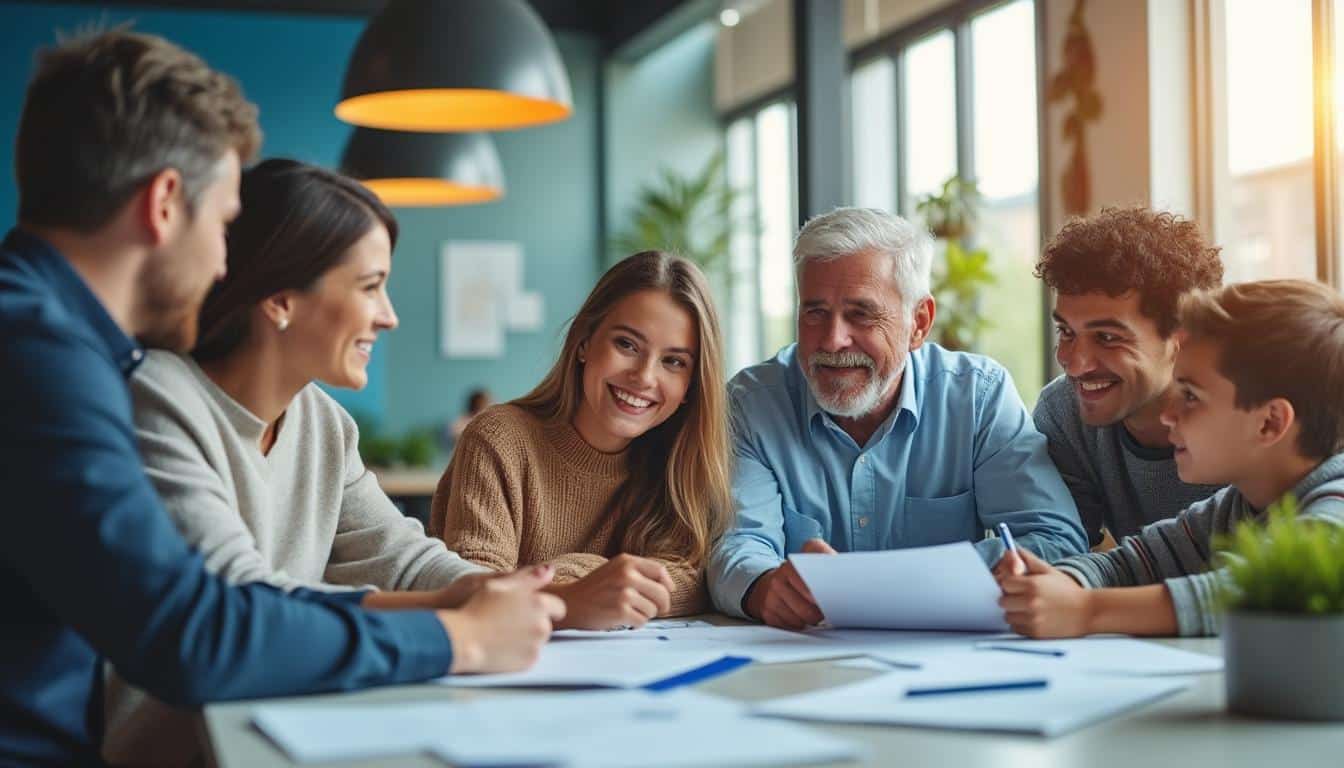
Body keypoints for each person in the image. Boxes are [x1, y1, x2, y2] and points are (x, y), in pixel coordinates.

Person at [0, 30, 560, 766]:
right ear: (166, 203)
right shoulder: (42, 359)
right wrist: (461, 637)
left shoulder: (56, 341)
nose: (229, 260)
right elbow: (193, 629)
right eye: (227, 222)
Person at [103, 159, 507, 765]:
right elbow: (242, 600)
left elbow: (400, 556)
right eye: (370, 286)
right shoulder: (159, 398)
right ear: (282, 298)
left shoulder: (323, 422)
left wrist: (520, 592)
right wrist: (461, 619)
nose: (389, 316)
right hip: (182, 745)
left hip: (286, 717)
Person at [706, 207, 1087, 630]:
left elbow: (1056, 541)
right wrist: (764, 587)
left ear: (918, 323)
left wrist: (885, 583)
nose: (833, 339)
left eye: (861, 314)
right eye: (815, 312)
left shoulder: (977, 397)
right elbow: (739, 544)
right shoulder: (753, 403)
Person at [995, 280, 1344, 638]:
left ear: (1269, 422)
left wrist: (1088, 610)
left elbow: (1252, 592)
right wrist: (1061, 580)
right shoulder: (1236, 506)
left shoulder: (1336, 506)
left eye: (1190, 397)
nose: (1168, 414)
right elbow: (1132, 565)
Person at [431, 251, 733, 628]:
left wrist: (584, 580)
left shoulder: (678, 459)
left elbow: (695, 579)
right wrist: (589, 587)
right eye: (627, 345)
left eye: (673, 362)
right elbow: (477, 591)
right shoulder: (498, 439)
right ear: (584, 342)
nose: (643, 376)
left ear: (691, 384)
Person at [1034, 207, 1226, 547]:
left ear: (1183, 337)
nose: (1074, 363)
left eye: (1107, 337)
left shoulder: (1249, 416)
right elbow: (1061, 550)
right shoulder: (1063, 412)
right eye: (1066, 331)